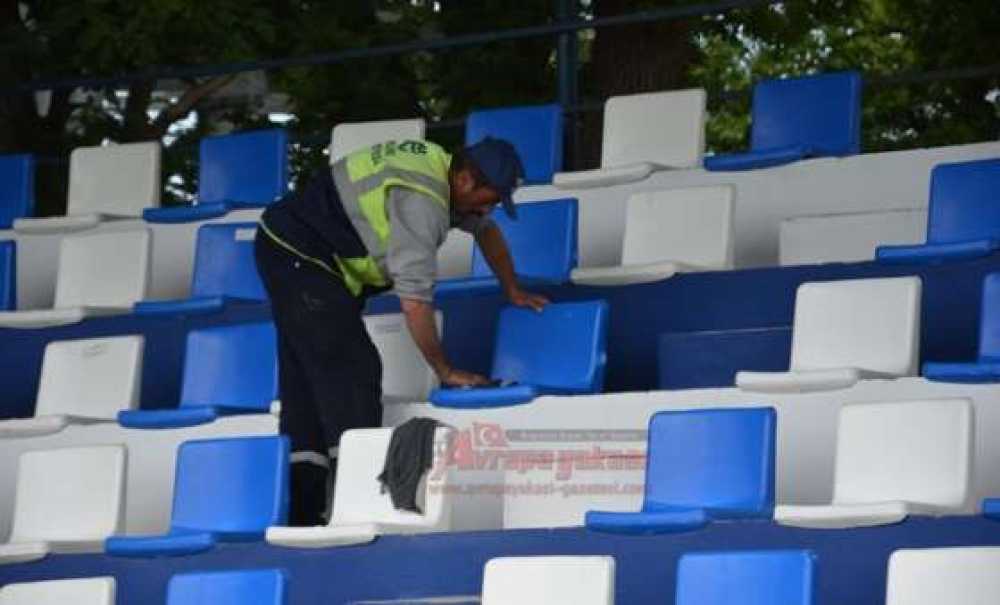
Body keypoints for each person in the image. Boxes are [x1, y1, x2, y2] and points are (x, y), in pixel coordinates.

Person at [254, 136, 548, 525]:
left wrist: (512, 288)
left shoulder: (441, 170)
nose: (488, 209)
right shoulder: (423, 202)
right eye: (489, 199)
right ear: (464, 180)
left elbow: (487, 232)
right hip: (301, 254)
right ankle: (352, 504)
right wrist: (445, 371)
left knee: (306, 384)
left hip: (290, 248)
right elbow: (414, 304)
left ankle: (303, 513)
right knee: (354, 369)